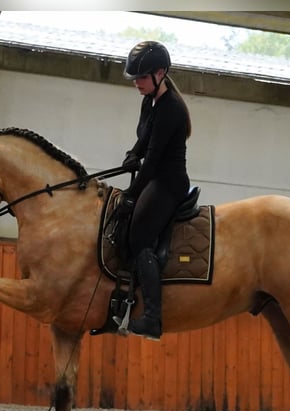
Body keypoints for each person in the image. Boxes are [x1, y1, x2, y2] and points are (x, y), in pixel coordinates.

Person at [119, 40, 192, 341]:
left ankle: (152, 318)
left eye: (142, 77)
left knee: (138, 238)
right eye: (135, 78)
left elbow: (156, 159)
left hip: (169, 182)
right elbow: (145, 141)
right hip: (154, 177)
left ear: (160, 73)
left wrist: (131, 194)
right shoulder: (148, 100)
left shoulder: (171, 108)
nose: (137, 83)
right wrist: (132, 153)